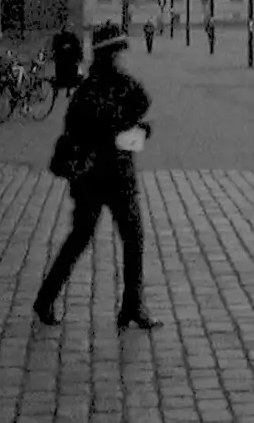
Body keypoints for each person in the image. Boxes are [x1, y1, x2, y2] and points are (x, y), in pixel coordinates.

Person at [34, 26, 161, 331]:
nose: (126, 58)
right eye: (121, 52)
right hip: (108, 177)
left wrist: (134, 131)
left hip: (94, 179)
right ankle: (131, 306)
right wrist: (136, 130)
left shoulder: (89, 89)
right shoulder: (107, 91)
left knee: (91, 239)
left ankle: (50, 299)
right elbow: (136, 109)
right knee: (123, 239)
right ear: (112, 55)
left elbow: (137, 109)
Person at [51, 28, 84, 97]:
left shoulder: (74, 39)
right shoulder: (59, 39)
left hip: (70, 61)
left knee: (74, 71)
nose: (67, 35)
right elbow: (55, 50)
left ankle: (69, 88)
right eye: (66, 33)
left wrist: (78, 58)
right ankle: (67, 87)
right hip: (63, 62)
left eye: (68, 33)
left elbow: (78, 49)